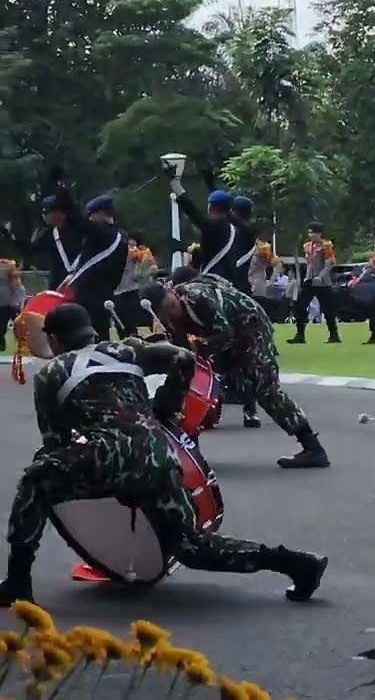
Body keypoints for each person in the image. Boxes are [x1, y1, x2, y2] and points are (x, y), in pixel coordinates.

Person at [0, 303, 327, 606]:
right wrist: (165, 412)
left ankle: (17, 583)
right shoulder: (126, 349)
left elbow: (55, 442)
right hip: (158, 454)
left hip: (106, 456)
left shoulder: (52, 372)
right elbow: (184, 357)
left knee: (35, 481)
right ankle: (295, 563)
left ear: (55, 339)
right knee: (191, 546)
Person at [139, 273, 331, 468]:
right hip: (229, 339)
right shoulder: (173, 317)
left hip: (251, 330)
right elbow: (183, 350)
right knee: (189, 383)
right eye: (166, 312)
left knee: (266, 389)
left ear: (172, 293)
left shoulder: (199, 297)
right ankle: (187, 446)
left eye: (171, 306)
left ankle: (313, 448)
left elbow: (223, 334)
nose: (172, 313)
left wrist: (197, 349)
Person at [167, 169, 256, 296]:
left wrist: (176, 186)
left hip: (217, 286)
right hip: (232, 285)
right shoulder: (237, 230)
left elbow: (194, 213)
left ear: (210, 207)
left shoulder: (222, 228)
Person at [66, 195, 129, 343]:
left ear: (101, 214)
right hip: (104, 293)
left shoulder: (105, 234)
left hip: (92, 296)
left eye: (91, 215)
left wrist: (64, 194)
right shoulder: (118, 235)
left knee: (90, 337)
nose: (90, 219)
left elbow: (78, 222)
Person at [288, 223, 341, 344]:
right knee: (300, 305)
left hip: (322, 282)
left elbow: (330, 263)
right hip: (310, 280)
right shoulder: (307, 246)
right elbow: (309, 264)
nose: (311, 235)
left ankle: (334, 334)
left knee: (328, 308)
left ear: (319, 233)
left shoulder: (326, 245)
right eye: (309, 232)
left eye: (313, 232)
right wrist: (306, 277)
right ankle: (300, 334)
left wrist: (320, 276)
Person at [112, 233, 158, 336]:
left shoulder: (141, 255)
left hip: (135, 293)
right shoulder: (117, 254)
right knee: (124, 327)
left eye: (132, 244)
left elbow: (149, 271)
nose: (131, 246)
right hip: (120, 295)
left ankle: (146, 343)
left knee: (143, 327)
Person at [0, 255, 23, 353]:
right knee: (18, 323)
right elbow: (15, 285)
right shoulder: (9, 267)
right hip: (9, 302)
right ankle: (22, 343)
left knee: (3, 325)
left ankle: (2, 344)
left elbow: (15, 284)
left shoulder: (7, 267)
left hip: (6, 303)